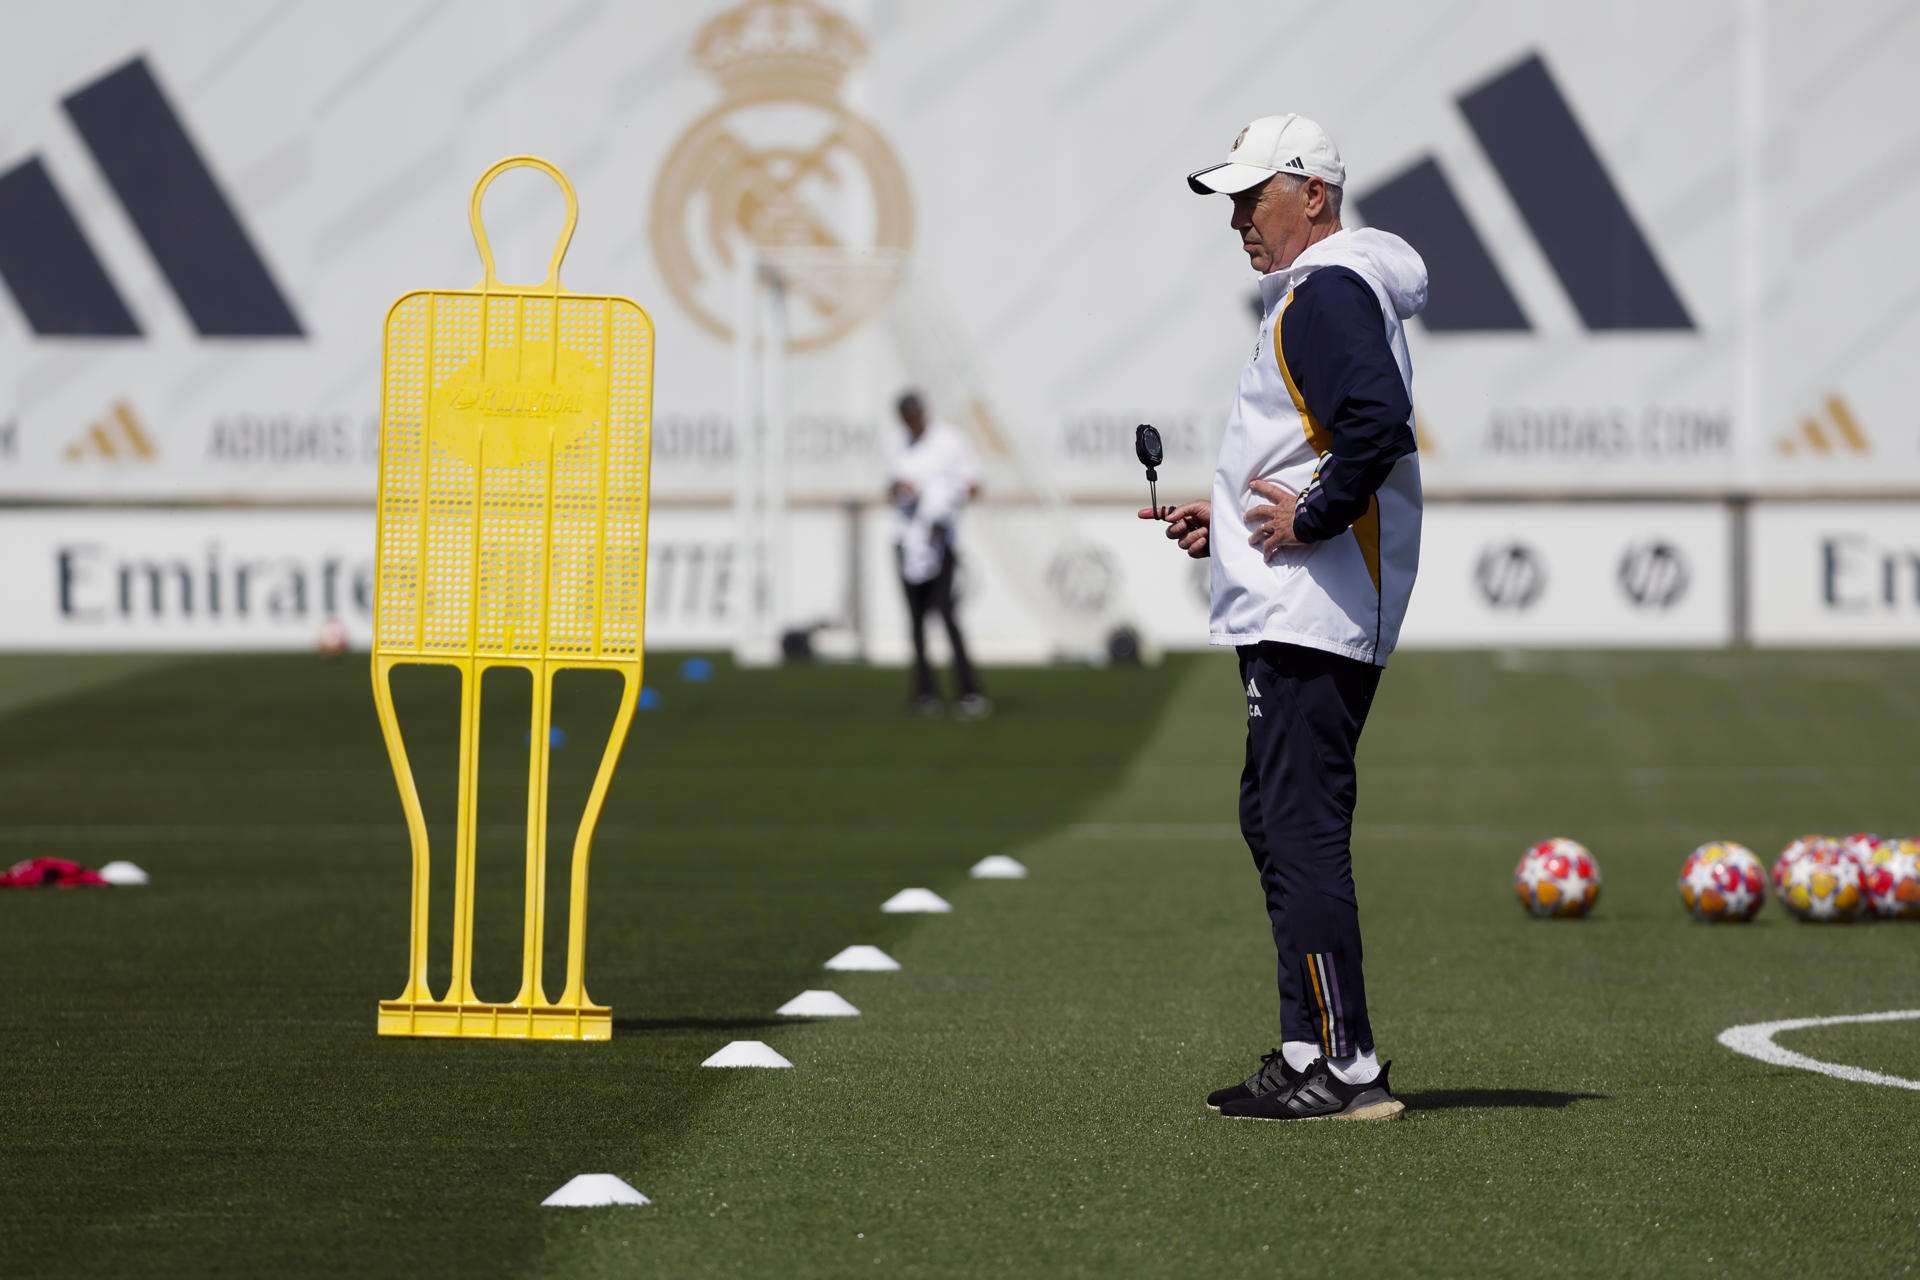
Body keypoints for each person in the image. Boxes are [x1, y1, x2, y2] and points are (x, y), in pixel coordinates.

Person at [1143, 114, 1428, 1121]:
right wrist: (1225, 521)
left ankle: (1347, 1067)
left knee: (1297, 823)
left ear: (1313, 192)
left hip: (1313, 608)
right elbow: (1324, 442)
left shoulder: (1329, 287)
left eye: (1251, 195)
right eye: (1231, 199)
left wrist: (1307, 515)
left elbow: (1377, 426)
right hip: (1300, 601)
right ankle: (1311, 1047)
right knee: (1274, 816)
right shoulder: (1323, 288)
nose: (1237, 218)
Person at [889, 391, 988, 717]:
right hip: (906, 540)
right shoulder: (897, 443)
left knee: (946, 613)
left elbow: (973, 484)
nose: (912, 422)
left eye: (916, 415)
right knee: (916, 621)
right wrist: (901, 491)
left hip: (939, 540)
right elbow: (890, 487)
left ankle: (969, 691)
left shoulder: (949, 441)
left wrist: (944, 503)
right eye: (907, 417)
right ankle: (925, 693)